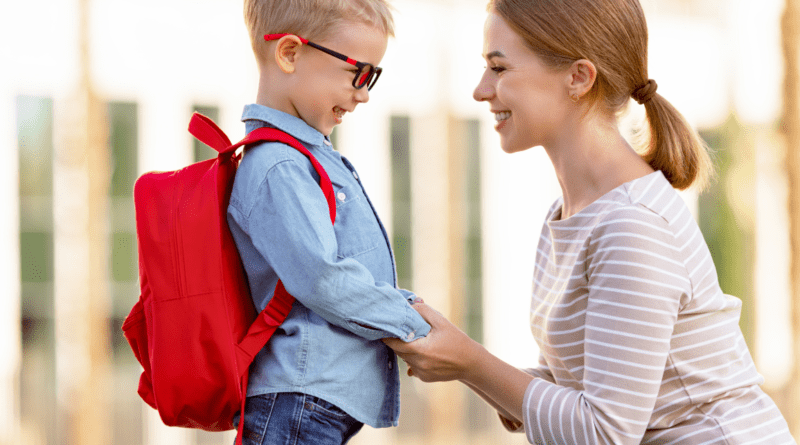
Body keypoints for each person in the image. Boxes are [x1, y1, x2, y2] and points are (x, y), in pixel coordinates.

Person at [383, 0, 797, 443]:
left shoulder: (631, 226)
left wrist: (469, 362)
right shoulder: (571, 212)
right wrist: (472, 365)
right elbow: (591, 376)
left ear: (578, 77)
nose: (481, 90)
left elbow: (603, 433)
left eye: (499, 69)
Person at [227, 1, 430, 444]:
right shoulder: (278, 165)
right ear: (290, 54)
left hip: (309, 405)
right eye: (359, 73)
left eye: (373, 77)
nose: (365, 93)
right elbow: (319, 277)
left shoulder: (307, 157)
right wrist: (412, 322)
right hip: (297, 403)